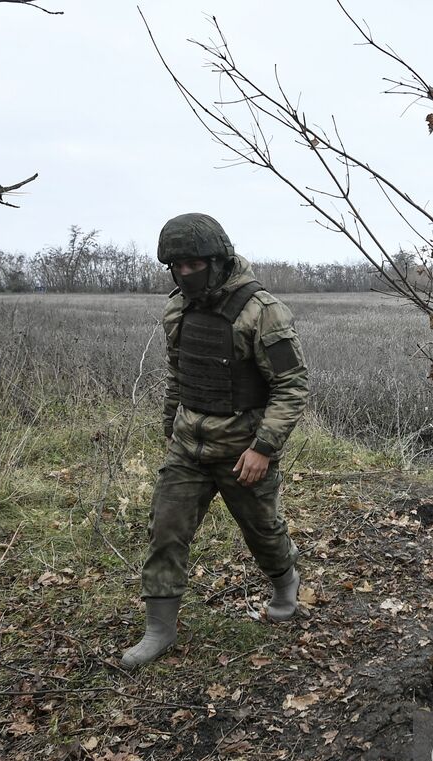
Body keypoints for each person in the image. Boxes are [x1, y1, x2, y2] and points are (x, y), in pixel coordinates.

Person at [121, 213, 309, 670]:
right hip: (188, 446)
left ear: (218, 257)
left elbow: (292, 385)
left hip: (243, 449)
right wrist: (171, 426)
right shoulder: (176, 309)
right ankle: (159, 630)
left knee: (263, 532)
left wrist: (264, 448)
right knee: (165, 531)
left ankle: (286, 586)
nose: (185, 273)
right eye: (176, 265)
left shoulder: (262, 311)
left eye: (194, 263)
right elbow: (178, 374)